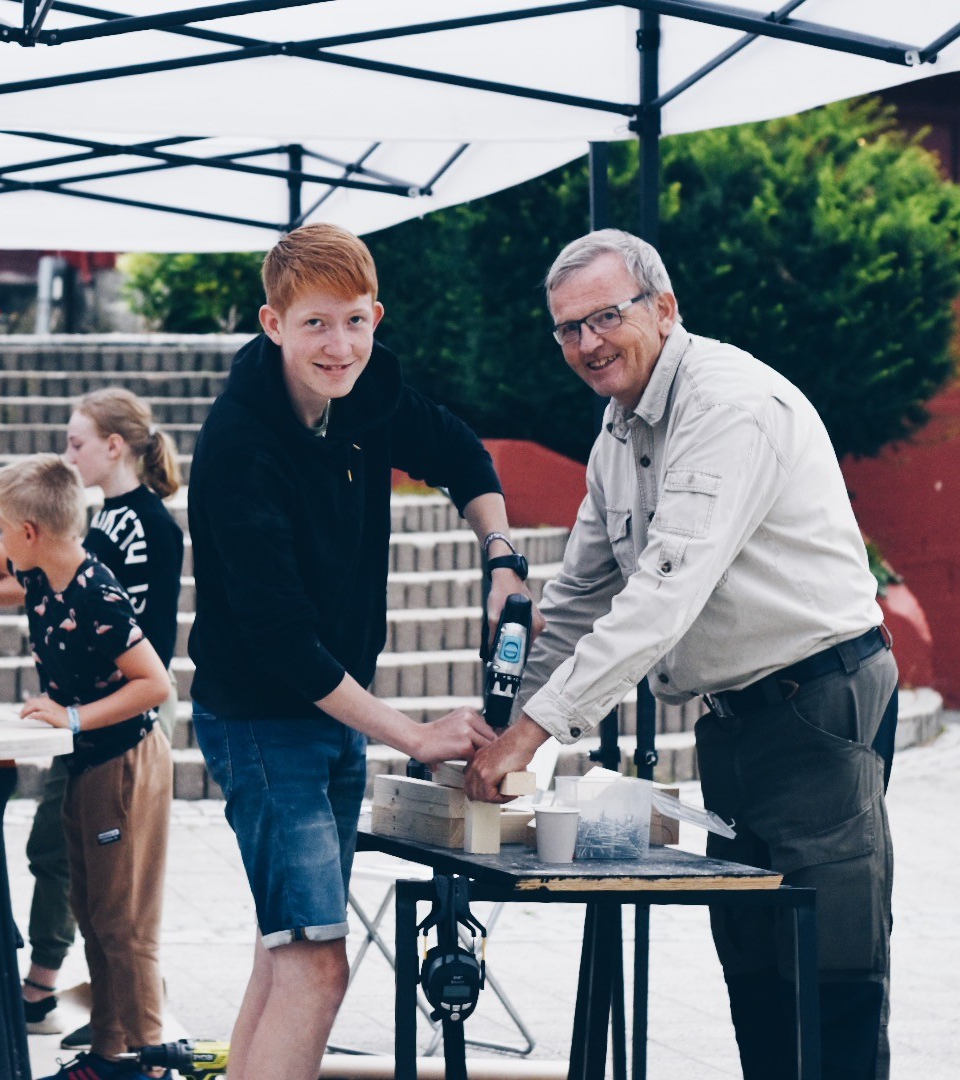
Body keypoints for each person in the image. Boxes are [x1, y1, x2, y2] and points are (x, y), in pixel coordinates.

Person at [464, 229, 896, 1080]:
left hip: (819, 699)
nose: (587, 343)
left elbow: (662, 594)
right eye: (568, 328)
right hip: (735, 717)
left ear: (664, 308)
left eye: (605, 317)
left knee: (829, 964)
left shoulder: (727, 406)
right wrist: (502, 730)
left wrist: (534, 735)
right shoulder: (618, 432)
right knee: (753, 959)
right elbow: (580, 600)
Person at [185, 222, 538, 1080]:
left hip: (331, 715)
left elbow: (458, 452)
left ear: (376, 316)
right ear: (273, 324)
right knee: (316, 964)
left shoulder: (365, 391)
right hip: (263, 722)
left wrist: (501, 558)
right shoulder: (240, 445)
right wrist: (414, 735)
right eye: (314, 324)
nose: (338, 347)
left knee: (286, 950)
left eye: (353, 321)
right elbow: (280, 642)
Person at [0, 455, 172, 1080]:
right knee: (91, 910)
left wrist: (72, 717)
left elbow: (155, 684)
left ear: (30, 532)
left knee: (124, 922)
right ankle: (110, 1054)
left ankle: (149, 1060)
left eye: (1, 524)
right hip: (87, 761)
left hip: (124, 762)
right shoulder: (39, 569)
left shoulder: (95, 594)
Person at [19, 389, 185, 1042]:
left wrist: (76, 714)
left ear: (115, 447)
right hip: (95, 722)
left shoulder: (142, 527)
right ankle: (113, 1033)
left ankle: (136, 1039)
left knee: (122, 914)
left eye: (76, 442)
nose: (68, 455)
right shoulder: (108, 520)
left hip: (123, 725)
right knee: (93, 896)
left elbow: (139, 659)